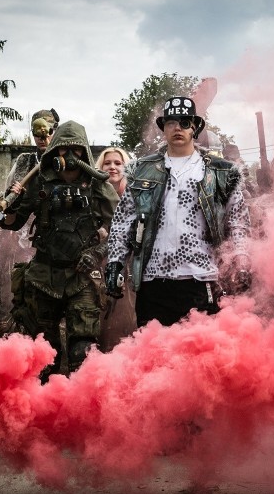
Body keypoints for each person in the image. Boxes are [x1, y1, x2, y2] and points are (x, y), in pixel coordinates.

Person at [104, 96, 251, 327]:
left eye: (184, 122)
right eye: (171, 122)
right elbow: (122, 222)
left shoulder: (221, 173)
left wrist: (241, 259)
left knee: (198, 354)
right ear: (164, 128)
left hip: (201, 278)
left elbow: (237, 222)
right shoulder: (142, 170)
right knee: (154, 353)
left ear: (195, 127)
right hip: (152, 280)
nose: (177, 128)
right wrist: (114, 262)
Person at [0, 120, 120, 381]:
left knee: (82, 353)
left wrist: (98, 253)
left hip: (82, 276)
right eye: (63, 149)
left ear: (84, 153)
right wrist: (7, 205)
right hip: (44, 276)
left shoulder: (99, 186)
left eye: (76, 150)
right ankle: (42, 412)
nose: (69, 156)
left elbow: (123, 230)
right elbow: (14, 222)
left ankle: (79, 411)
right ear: (54, 151)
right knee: (43, 353)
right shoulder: (38, 181)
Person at [0, 109, 59, 336]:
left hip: (50, 246)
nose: (43, 137)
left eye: (48, 130)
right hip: (18, 242)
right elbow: (8, 205)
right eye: (38, 132)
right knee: (13, 306)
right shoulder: (24, 161)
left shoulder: (64, 161)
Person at [95, 147, 138, 351]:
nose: (112, 167)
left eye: (118, 163)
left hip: (131, 266)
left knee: (129, 318)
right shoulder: (93, 194)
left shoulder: (136, 193)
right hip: (99, 265)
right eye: (107, 163)